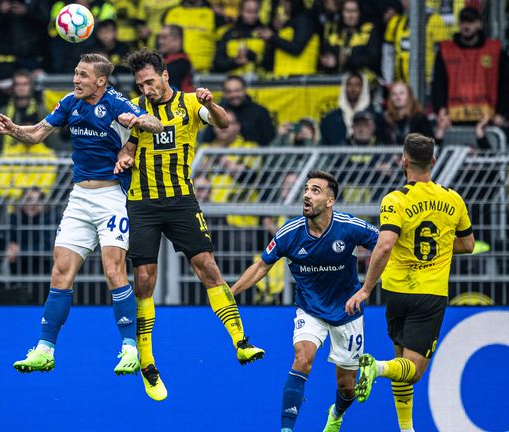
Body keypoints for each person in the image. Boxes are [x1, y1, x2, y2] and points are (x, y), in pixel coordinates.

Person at [0, 53, 163, 375]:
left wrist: (137, 121)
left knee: (113, 270)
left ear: (100, 81)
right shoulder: (70, 102)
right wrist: (13, 129)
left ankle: (130, 349)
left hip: (111, 196)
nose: (76, 80)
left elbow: (155, 124)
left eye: (83, 75)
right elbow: (37, 134)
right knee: (60, 271)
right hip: (79, 198)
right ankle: (45, 349)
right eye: (75, 73)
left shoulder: (115, 103)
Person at [115, 48, 264, 402]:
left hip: (182, 201)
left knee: (207, 267)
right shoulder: (136, 108)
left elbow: (224, 123)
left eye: (150, 81)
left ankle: (241, 342)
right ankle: (148, 365)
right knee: (144, 279)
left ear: (165, 76)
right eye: (141, 84)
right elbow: (130, 148)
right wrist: (125, 154)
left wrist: (211, 105)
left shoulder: (189, 102)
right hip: (143, 203)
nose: (147, 88)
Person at [345, 133, 475, 432]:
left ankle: (406, 428)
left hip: (396, 290)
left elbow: (386, 244)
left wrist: (366, 289)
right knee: (413, 371)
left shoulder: (395, 200)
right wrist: (443, 245)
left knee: (400, 360)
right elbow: (468, 244)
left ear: (403, 161)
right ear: (433, 160)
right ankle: (375, 368)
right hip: (429, 293)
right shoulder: (452, 199)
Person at [231, 170, 379, 432]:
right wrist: (230, 294)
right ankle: (287, 428)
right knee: (302, 359)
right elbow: (261, 267)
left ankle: (336, 415)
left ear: (330, 201)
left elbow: (385, 245)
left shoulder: (349, 227)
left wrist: (366, 288)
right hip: (310, 309)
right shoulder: (290, 232)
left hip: (347, 311)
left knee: (347, 387)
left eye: (315, 191)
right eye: (307, 189)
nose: (307, 195)